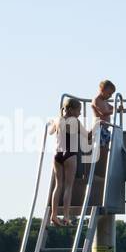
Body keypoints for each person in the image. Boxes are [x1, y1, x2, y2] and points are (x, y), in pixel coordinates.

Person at [48, 97, 89, 226]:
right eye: (79, 110)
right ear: (71, 110)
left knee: (58, 186)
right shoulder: (75, 121)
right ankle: (66, 217)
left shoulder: (57, 119)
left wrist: (55, 123)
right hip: (70, 154)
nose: (80, 113)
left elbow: (50, 132)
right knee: (68, 187)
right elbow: (87, 135)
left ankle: (54, 215)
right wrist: (96, 128)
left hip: (57, 155)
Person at [91, 78, 116, 153]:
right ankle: (99, 163)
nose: (110, 96)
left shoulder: (105, 102)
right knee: (100, 150)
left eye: (111, 94)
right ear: (102, 90)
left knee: (106, 150)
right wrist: (116, 110)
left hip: (105, 129)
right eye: (109, 93)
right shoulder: (96, 100)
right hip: (99, 129)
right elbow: (103, 112)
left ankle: (104, 164)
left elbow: (115, 108)